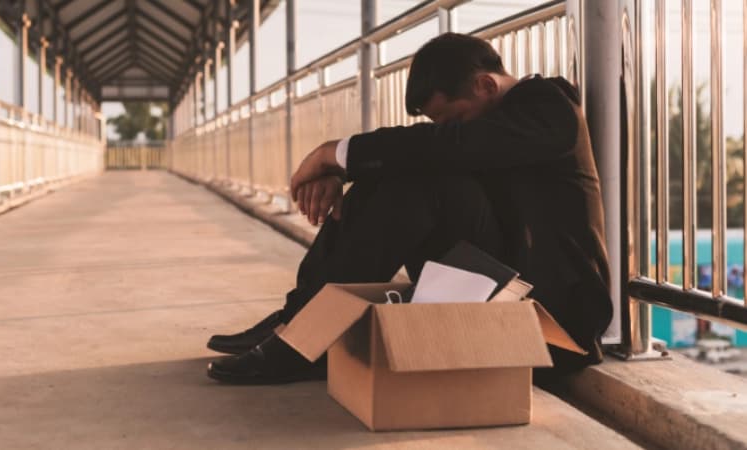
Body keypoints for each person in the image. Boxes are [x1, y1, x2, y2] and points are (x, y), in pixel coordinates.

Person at [205, 32, 614, 385]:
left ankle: (309, 337)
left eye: (453, 120)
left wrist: (337, 153)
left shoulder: (550, 106)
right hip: (499, 293)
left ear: (486, 86)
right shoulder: (496, 125)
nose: (447, 131)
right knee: (400, 170)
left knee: (422, 173)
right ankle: (299, 322)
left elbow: (451, 147)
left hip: (554, 325)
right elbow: (435, 149)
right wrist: (341, 172)